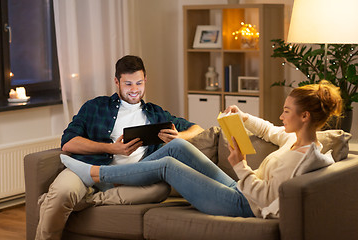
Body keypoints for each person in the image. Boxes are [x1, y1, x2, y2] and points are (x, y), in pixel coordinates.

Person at [62, 80, 342, 219]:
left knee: (169, 167)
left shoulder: (300, 160)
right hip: (238, 190)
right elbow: (271, 131)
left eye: (286, 111)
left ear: (304, 116)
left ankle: (97, 174)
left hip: (243, 206)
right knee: (179, 146)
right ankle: (104, 173)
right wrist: (242, 118)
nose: (281, 116)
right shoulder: (300, 141)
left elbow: (265, 198)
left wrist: (240, 164)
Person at [36, 55, 204, 240]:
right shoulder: (95, 107)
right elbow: (68, 142)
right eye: (128, 84)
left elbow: (197, 129)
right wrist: (111, 149)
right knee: (63, 192)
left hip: (129, 180)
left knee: (160, 189)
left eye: (139, 83)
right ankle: (63, 199)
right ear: (117, 81)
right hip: (86, 169)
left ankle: (85, 200)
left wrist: (179, 136)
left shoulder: (156, 114)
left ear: (145, 80)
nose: (134, 90)